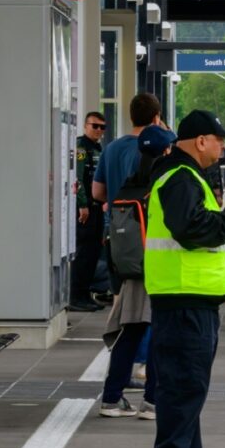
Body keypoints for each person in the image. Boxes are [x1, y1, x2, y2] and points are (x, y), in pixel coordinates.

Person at [145, 110, 225, 448]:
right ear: (201, 141)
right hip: (182, 298)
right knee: (183, 386)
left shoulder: (184, 175)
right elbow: (191, 231)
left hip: (191, 299)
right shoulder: (181, 177)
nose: (223, 147)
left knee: (191, 385)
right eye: (219, 140)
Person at [98, 125, 177, 420]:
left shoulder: (132, 182)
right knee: (159, 334)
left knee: (129, 332)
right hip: (157, 270)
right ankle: (153, 402)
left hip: (132, 270)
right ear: (166, 151)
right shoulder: (164, 183)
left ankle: (111, 398)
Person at [92, 93, 163, 302]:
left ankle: (119, 332)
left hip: (115, 226)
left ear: (131, 117)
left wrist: (115, 197)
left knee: (119, 291)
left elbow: (97, 192)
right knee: (147, 293)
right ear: (156, 118)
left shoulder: (111, 148)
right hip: (146, 229)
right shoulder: (154, 150)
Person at [70, 111, 107, 312]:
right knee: (83, 253)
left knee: (93, 252)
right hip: (85, 210)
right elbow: (78, 178)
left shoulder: (98, 148)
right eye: (95, 126)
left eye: (103, 127)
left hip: (97, 207)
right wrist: (82, 204)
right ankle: (76, 296)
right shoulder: (81, 147)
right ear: (86, 126)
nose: (99, 131)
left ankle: (85, 294)